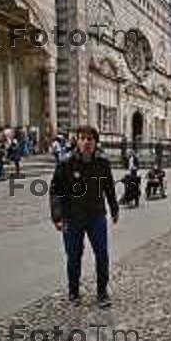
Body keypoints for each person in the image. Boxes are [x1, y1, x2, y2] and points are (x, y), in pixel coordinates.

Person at [50, 125, 119, 308]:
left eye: (90, 139)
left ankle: (102, 292)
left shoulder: (102, 162)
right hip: (72, 217)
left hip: (96, 215)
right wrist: (57, 216)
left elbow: (109, 187)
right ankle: (74, 291)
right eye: (83, 138)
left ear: (96, 142)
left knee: (102, 253)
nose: (87, 142)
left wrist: (114, 208)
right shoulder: (66, 162)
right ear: (77, 141)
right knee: (74, 255)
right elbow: (56, 191)